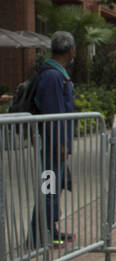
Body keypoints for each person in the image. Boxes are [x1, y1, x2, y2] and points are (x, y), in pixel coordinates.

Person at [29, 30, 77, 248]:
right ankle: (41, 234)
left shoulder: (56, 73)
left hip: (54, 145)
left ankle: (49, 229)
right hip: (50, 145)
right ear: (70, 50)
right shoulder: (52, 76)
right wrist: (59, 143)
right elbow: (54, 113)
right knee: (48, 189)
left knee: (52, 189)